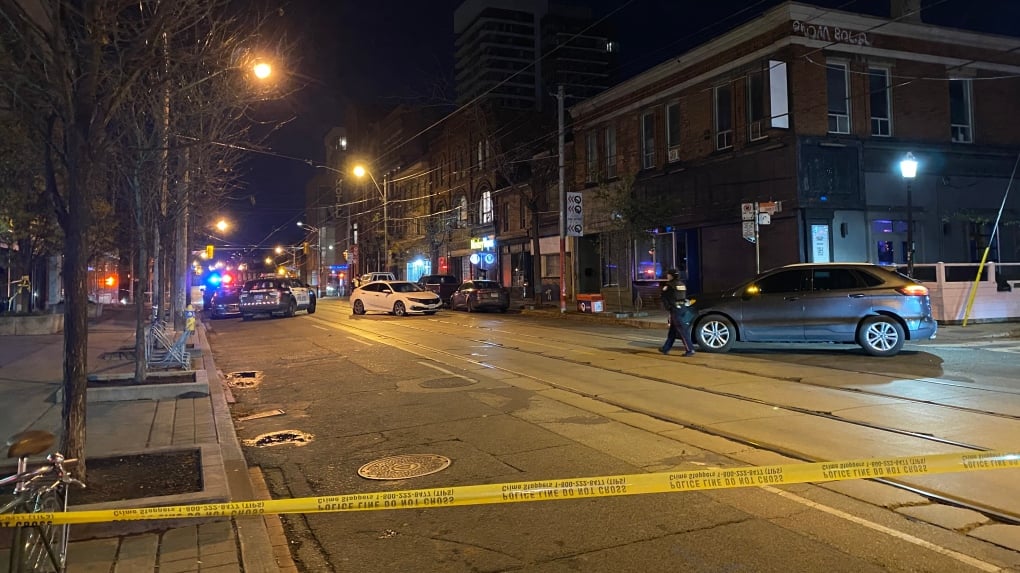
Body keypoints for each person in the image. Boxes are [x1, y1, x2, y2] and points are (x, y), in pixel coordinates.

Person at [659, 268, 695, 357]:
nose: (667, 276)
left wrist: (669, 307)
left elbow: (664, 297)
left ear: (671, 275)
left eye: (668, 274)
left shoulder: (669, 285)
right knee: (673, 330)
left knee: (682, 330)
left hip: (675, 310)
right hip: (682, 308)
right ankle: (666, 348)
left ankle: (690, 349)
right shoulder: (682, 284)